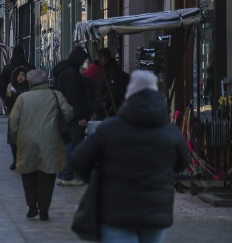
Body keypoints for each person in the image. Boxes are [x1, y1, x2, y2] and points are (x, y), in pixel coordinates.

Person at [71, 70, 190, 242]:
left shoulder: (109, 129)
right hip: (156, 213)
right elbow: (182, 164)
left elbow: (78, 160)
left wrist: (97, 178)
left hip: (117, 212)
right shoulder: (171, 133)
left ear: (129, 95)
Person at [9, 69, 73, 221]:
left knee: (28, 173)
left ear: (30, 82)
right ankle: (44, 209)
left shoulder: (23, 98)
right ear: (45, 81)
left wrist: (18, 136)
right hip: (50, 140)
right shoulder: (55, 95)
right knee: (47, 175)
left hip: (26, 140)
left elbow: (13, 120)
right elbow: (68, 113)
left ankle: (32, 206)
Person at [53, 46, 90, 186]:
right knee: (72, 144)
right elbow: (75, 96)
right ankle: (68, 175)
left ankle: (62, 174)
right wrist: (80, 116)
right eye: (82, 60)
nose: (82, 63)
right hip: (72, 114)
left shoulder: (61, 71)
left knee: (65, 144)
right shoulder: (71, 74)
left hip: (62, 112)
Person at [4, 66, 29, 170]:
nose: (20, 77)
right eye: (18, 75)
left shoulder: (29, 87)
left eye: (23, 75)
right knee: (13, 140)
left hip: (27, 117)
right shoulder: (11, 87)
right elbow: (7, 103)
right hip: (14, 116)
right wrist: (9, 95)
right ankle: (16, 160)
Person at [95, 47, 131, 118]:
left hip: (118, 106)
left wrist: (104, 101)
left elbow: (113, 91)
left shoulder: (113, 71)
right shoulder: (110, 70)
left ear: (102, 58)